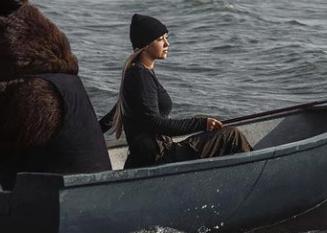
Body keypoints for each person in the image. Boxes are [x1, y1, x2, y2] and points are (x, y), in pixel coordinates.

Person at [99, 14, 251, 169]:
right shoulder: (140, 75)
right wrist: (201, 123)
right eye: (160, 40)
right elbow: (155, 123)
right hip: (157, 157)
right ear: (145, 45)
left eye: (166, 38)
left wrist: (86, 134)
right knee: (231, 136)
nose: (167, 43)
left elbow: (112, 116)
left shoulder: (140, 73)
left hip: (154, 153)